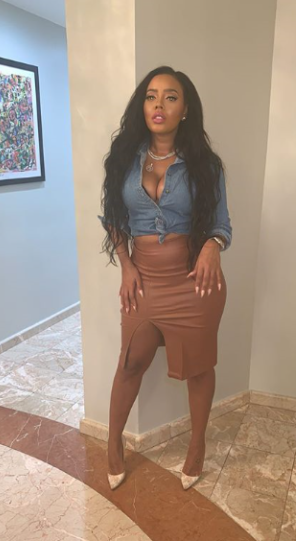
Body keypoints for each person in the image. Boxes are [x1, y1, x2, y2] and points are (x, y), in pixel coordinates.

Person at [97, 66, 232, 491]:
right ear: (143, 106)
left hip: (195, 283)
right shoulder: (124, 159)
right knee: (131, 362)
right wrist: (126, 265)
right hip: (145, 280)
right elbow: (114, 218)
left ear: (185, 109)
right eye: (151, 96)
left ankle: (197, 445)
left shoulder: (206, 165)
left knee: (198, 368)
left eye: (170, 97)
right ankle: (113, 442)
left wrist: (213, 245)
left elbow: (222, 223)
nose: (159, 105)